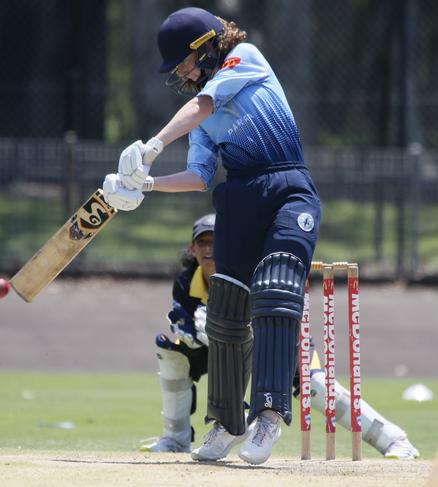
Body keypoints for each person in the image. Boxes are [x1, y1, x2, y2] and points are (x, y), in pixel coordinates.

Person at [101, 6, 321, 464]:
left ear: (205, 45)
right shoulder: (202, 109)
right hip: (239, 198)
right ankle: (226, 422)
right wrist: (147, 185)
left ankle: (268, 414)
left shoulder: (246, 57)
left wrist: (153, 146)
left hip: (287, 188)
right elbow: (201, 175)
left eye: (182, 60)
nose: (180, 71)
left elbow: (204, 105)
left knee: (276, 289)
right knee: (225, 308)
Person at [141, 216, 419, 459]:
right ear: (193, 249)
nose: (210, 248)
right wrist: (195, 332)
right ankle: (176, 440)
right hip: (222, 348)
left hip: (277, 336)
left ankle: (392, 439)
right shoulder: (187, 280)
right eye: (203, 242)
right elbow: (182, 320)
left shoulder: (249, 269)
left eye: (217, 240)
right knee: (172, 353)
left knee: (316, 386)